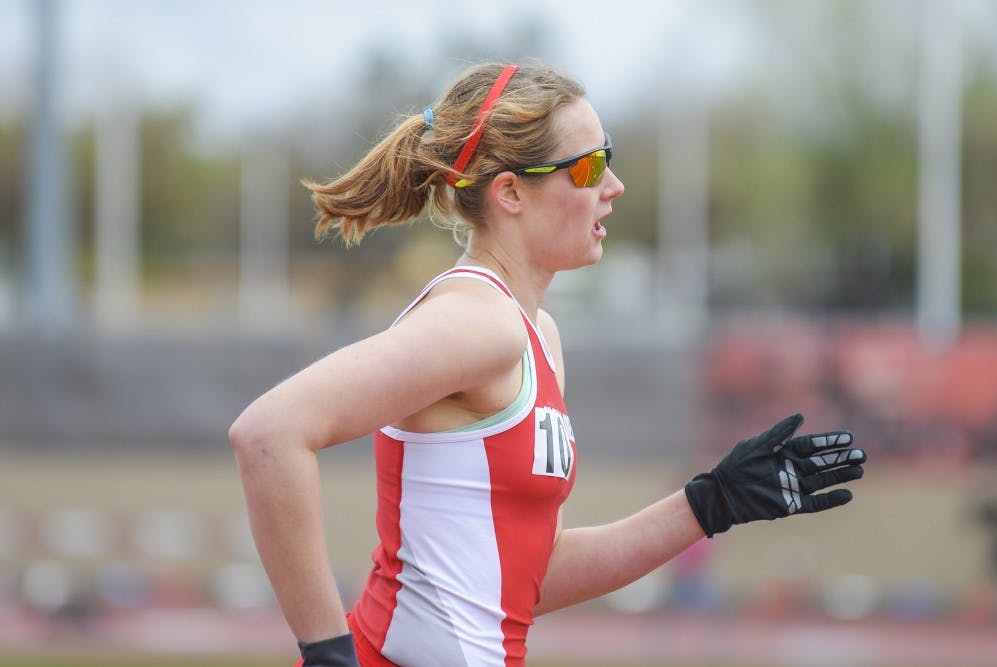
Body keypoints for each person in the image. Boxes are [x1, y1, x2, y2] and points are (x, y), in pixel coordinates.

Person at [228, 60, 867, 667]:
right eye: (589, 168)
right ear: (510, 193)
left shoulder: (535, 336)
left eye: (609, 160)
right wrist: (329, 655)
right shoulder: (478, 324)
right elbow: (269, 434)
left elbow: (527, 576)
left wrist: (709, 502)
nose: (613, 187)